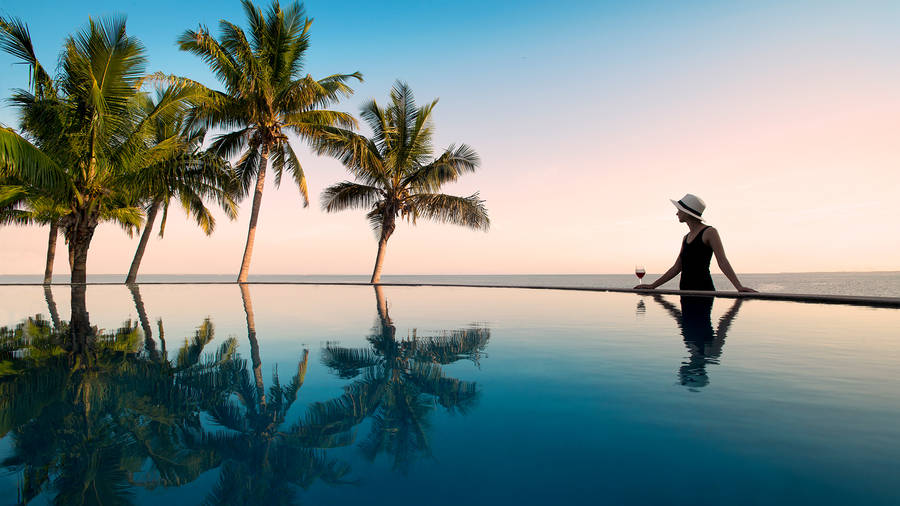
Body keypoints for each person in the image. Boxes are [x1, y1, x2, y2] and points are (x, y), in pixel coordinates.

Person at [634, 194, 756, 292]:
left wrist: (739, 287)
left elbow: (722, 261)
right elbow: (677, 267)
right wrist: (653, 286)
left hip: (703, 290)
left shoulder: (710, 232)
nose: (677, 213)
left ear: (687, 212)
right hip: (685, 290)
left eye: (679, 210)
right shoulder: (685, 238)